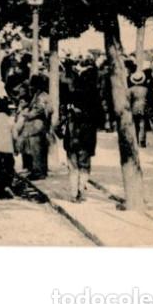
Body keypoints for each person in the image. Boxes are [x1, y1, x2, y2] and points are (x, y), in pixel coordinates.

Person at [61, 59, 100, 202]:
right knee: (85, 165)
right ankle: (81, 190)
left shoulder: (72, 95)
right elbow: (99, 118)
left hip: (71, 136)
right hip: (87, 137)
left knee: (73, 166)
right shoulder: (94, 98)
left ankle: (73, 193)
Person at [16, 75, 52, 179]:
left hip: (38, 125)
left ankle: (38, 171)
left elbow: (39, 109)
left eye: (33, 85)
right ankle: (38, 170)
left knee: (36, 149)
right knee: (37, 149)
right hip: (39, 125)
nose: (31, 87)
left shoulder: (41, 96)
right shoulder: (39, 95)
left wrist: (27, 114)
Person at [128, 69, 149, 148]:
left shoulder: (131, 90)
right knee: (142, 124)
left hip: (134, 108)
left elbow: (128, 100)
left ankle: (135, 140)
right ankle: (142, 141)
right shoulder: (145, 89)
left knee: (135, 125)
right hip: (143, 108)